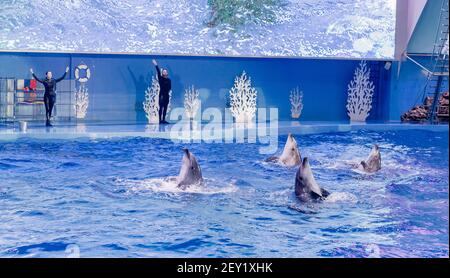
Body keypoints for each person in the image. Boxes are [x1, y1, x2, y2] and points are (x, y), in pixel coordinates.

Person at [152, 59, 171, 124]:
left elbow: (169, 87)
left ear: (167, 73)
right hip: (162, 95)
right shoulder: (160, 78)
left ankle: (163, 119)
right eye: (164, 72)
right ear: (162, 73)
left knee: (165, 108)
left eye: (166, 72)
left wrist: (167, 92)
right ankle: (160, 120)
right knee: (161, 108)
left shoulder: (169, 80)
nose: (165, 72)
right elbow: (158, 72)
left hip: (166, 96)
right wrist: (156, 65)